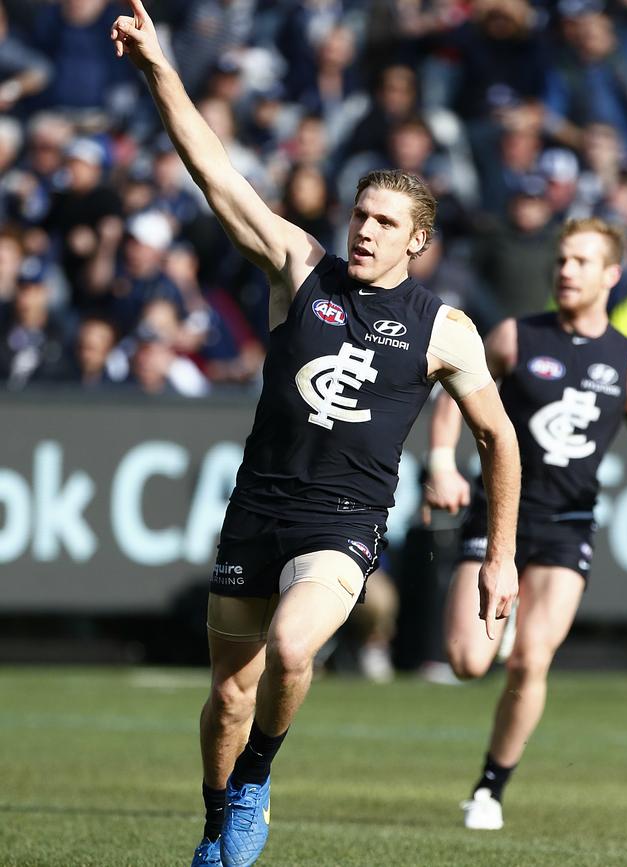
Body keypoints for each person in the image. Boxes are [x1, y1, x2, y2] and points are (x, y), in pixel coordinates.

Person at [110, 3, 521, 865]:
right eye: (359, 215)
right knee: (228, 693)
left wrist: (501, 553)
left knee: (294, 645)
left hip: (343, 518)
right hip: (257, 504)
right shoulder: (300, 267)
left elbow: (500, 438)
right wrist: (158, 65)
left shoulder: (445, 328)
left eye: (383, 223)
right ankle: (218, 816)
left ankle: (258, 777)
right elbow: (214, 172)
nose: (363, 230)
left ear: (419, 241)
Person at [424, 217, 627, 831]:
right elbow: (454, 395)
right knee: (470, 661)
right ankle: (506, 610)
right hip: (500, 516)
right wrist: (444, 462)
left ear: (611, 276)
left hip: (567, 524)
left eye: (580, 261)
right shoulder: (515, 336)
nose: (566, 271)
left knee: (530, 662)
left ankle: (490, 790)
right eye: (561, 260)